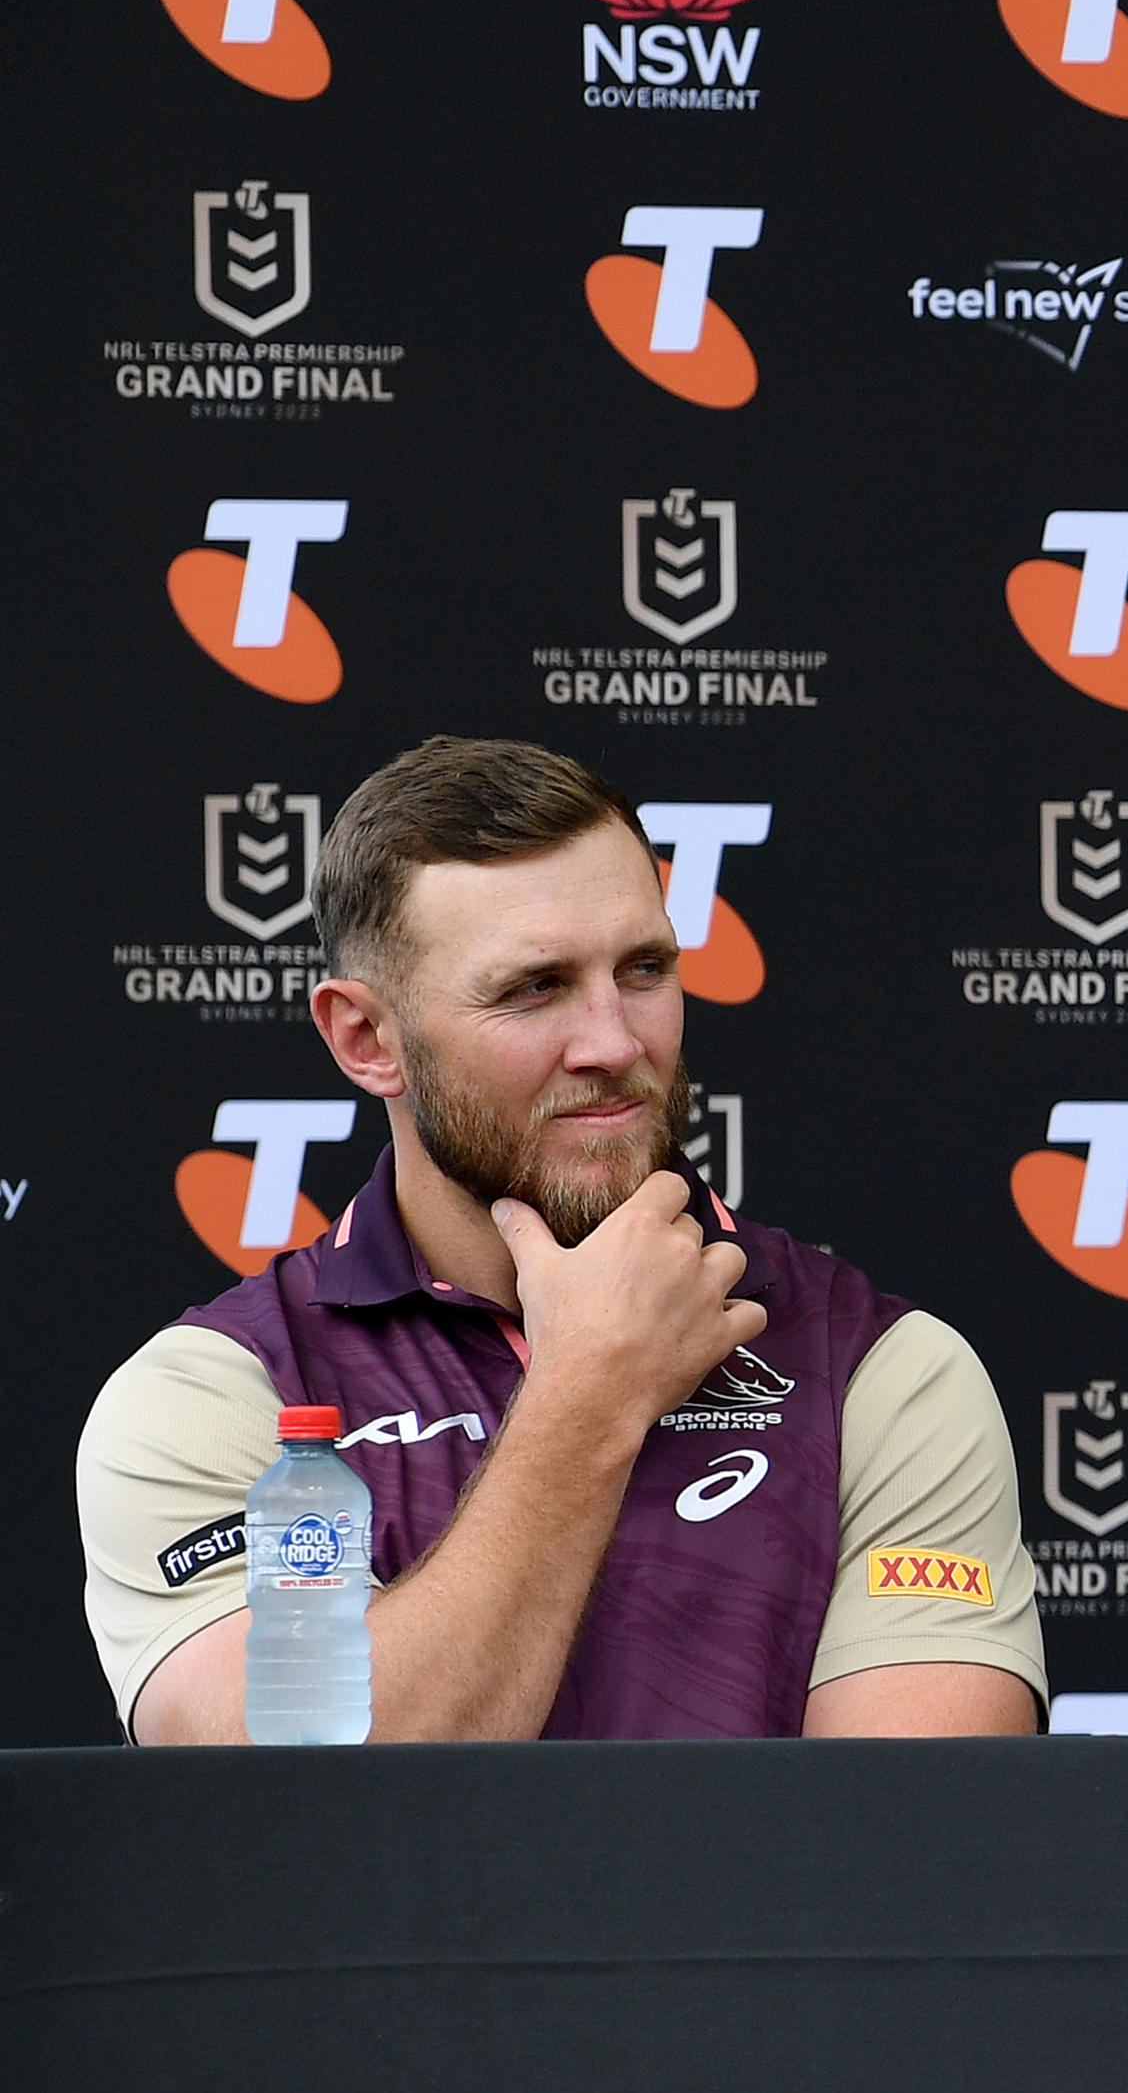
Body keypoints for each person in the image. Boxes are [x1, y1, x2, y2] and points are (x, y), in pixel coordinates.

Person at [73, 739, 1045, 1739]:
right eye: (534, 987)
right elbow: (292, 1805)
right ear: (367, 1039)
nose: (616, 1043)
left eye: (644, 969)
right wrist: (588, 1396)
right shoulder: (217, 1395)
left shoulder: (879, 1368)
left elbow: (911, 1822)